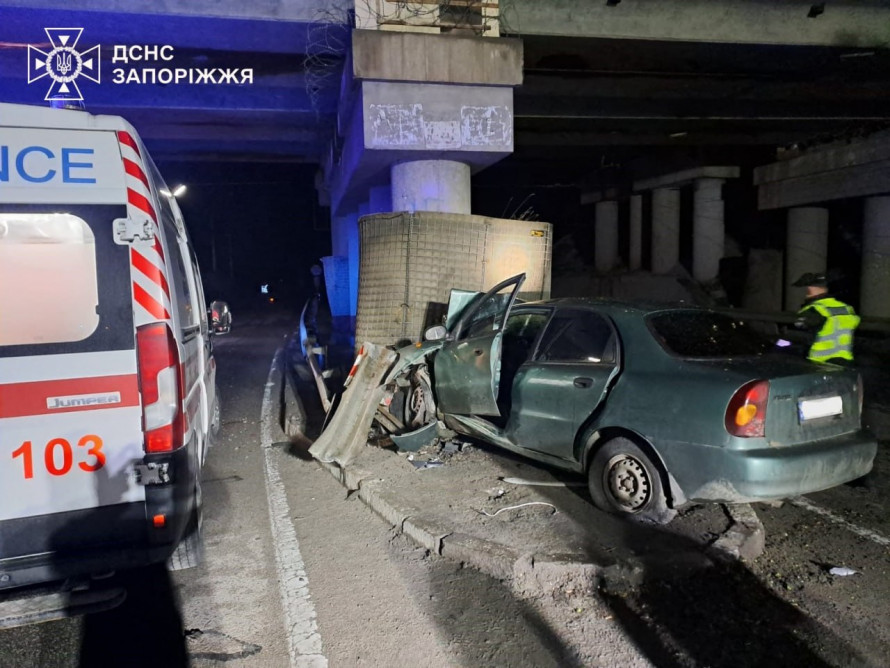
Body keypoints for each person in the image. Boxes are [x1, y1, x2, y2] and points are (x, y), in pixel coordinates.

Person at [792, 272, 860, 365]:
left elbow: (798, 338)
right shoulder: (847, 308)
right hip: (844, 363)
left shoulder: (814, 310)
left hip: (818, 364)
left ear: (810, 289)